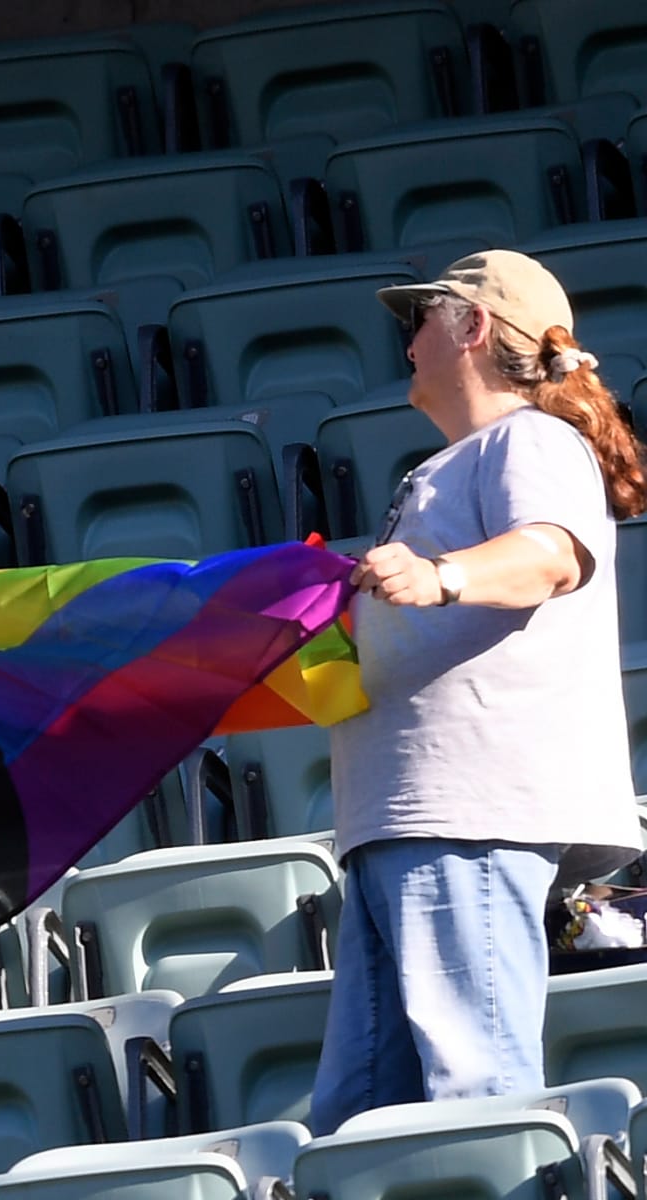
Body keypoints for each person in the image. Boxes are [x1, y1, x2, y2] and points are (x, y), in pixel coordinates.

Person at [309, 249, 647, 1134]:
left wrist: (442, 576)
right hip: (410, 820)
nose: (409, 341)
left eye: (420, 319)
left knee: (474, 1096)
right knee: (366, 1122)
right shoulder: (458, 461)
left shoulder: (528, 439)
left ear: (473, 327)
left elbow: (549, 553)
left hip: (464, 815)